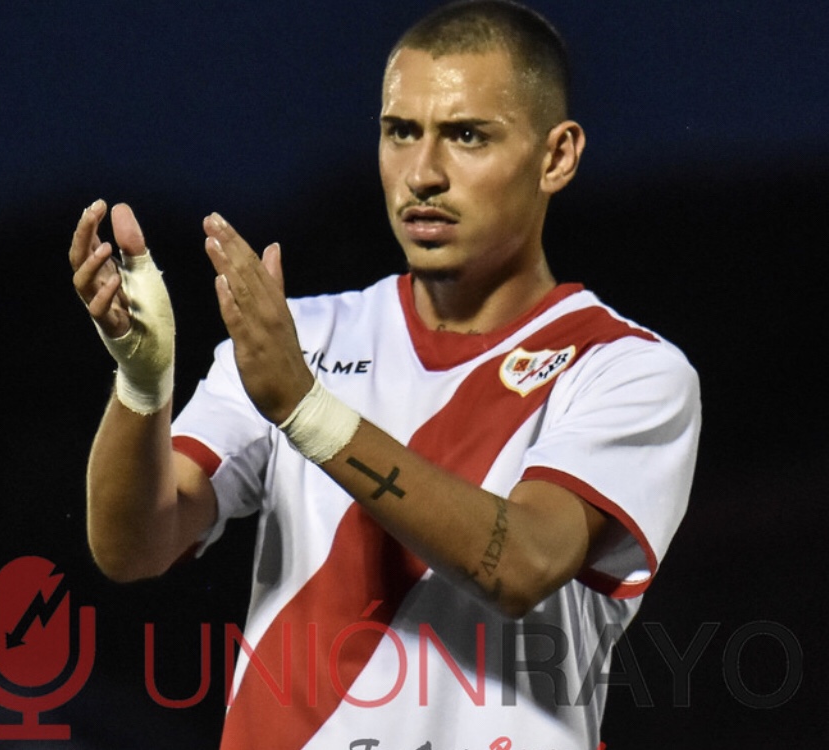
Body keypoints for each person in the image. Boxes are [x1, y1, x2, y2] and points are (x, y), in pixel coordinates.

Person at [68, 1, 700, 746]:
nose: (423, 174)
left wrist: (307, 409)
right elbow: (133, 546)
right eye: (401, 132)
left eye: (467, 136)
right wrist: (142, 387)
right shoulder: (296, 337)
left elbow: (524, 562)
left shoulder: (625, 370)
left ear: (556, 156)